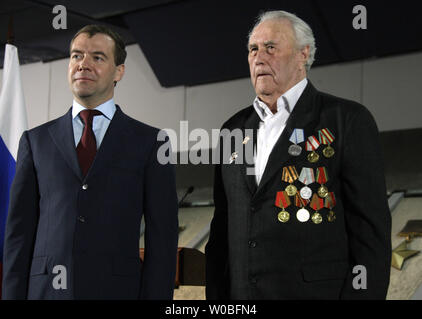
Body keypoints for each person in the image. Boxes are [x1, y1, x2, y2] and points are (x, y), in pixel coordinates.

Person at [205, 10, 391, 299]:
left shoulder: (347, 120)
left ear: (303, 54)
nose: (259, 57)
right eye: (253, 49)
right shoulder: (233, 130)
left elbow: (370, 236)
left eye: (271, 47)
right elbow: (221, 232)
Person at [2, 25, 178, 299]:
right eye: (76, 56)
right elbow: (18, 235)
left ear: (119, 71)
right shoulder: (35, 142)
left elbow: (163, 238)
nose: (83, 64)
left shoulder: (152, 143)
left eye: (97, 57)